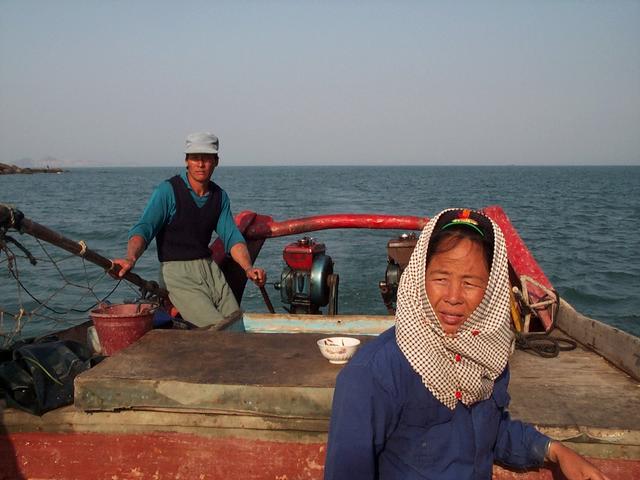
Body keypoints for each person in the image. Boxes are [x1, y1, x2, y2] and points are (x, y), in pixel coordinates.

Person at [324, 208, 609, 480]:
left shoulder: (487, 356)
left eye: (470, 283)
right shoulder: (372, 376)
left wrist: (552, 451)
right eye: (440, 278)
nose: (453, 296)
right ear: (419, 278)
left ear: (491, 290)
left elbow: (486, 432)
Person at [112, 132, 266, 328]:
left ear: (216, 161)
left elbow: (232, 237)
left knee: (237, 323)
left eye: (207, 158)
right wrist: (130, 258)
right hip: (177, 272)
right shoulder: (168, 191)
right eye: (195, 158)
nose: (200, 164)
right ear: (187, 161)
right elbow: (144, 228)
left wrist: (248, 268)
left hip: (210, 269)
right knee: (217, 328)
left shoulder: (219, 197)